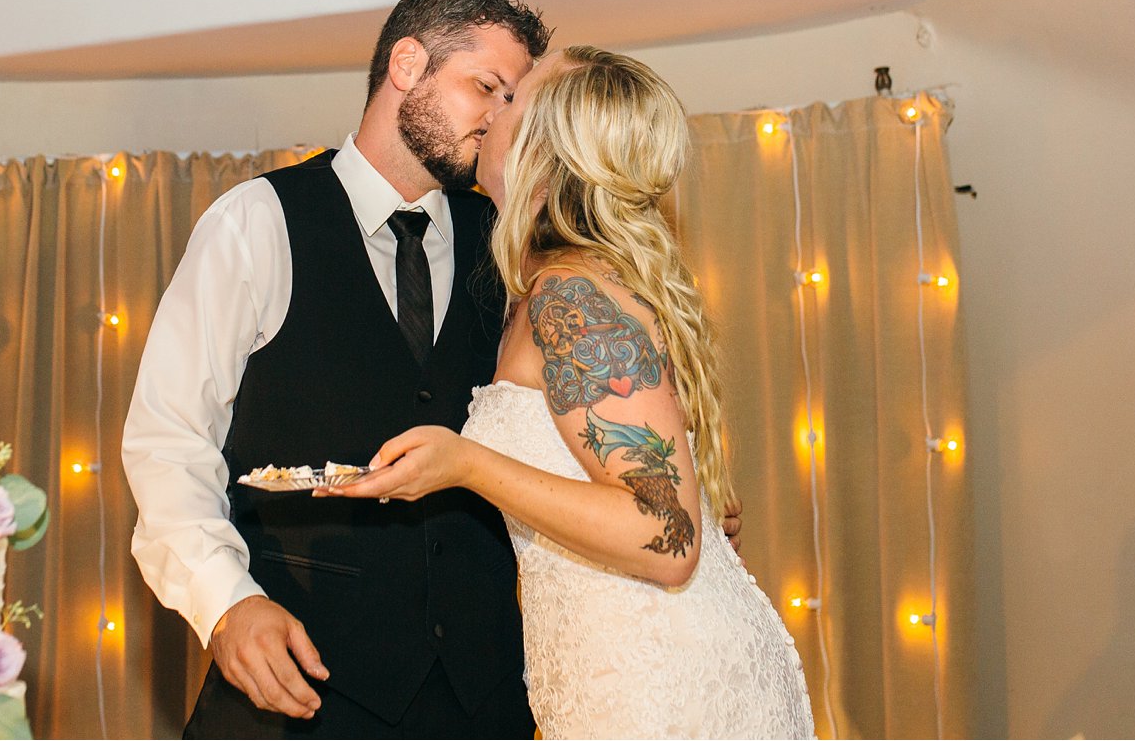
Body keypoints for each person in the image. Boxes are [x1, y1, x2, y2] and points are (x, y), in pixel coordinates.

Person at [325, 44, 812, 741]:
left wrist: (466, 464)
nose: (493, 110)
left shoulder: (571, 296)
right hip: (602, 663)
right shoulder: (546, 286)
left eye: (513, 97)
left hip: (655, 678)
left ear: (546, 149)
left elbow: (666, 535)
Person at [121, 0, 551, 737]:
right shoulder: (255, 221)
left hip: (482, 704)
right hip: (300, 692)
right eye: (485, 86)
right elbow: (168, 439)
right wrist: (227, 602)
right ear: (408, 64)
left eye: (511, 98)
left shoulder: (510, 244)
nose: (498, 116)